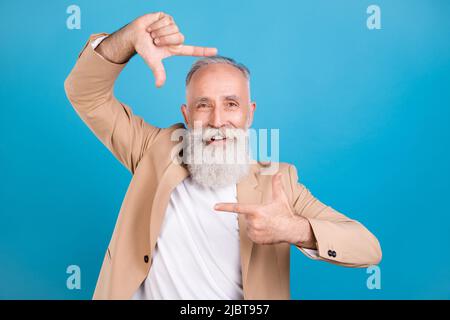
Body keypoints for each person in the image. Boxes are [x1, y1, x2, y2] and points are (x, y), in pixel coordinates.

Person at [64, 12, 382, 300]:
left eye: (231, 104)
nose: (217, 121)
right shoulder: (154, 151)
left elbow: (368, 247)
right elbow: (84, 93)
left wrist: (293, 229)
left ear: (249, 114)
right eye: (204, 105)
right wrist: (128, 40)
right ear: (187, 116)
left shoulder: (277, 183)